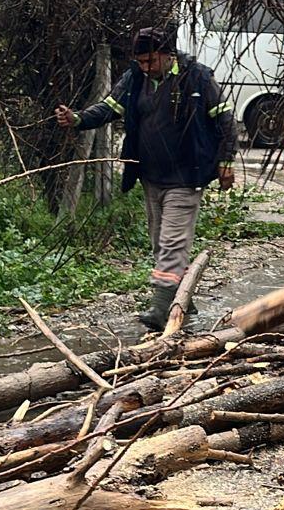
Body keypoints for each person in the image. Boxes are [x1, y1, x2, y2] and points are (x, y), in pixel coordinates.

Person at [56, 24, 237, 330]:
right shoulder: (136, 78)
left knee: (172, 243)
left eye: (150, 61)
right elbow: (110, 108)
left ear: (168, 55)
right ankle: (182, 299)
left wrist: (226, 160)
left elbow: (224, 118)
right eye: (140, 62)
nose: (145, 67)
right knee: (159, 242)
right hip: (151, 176)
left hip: (186, 175)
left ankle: (160, 310)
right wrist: (78, 119)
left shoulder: (197, 77)